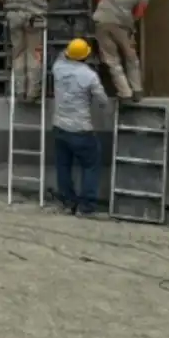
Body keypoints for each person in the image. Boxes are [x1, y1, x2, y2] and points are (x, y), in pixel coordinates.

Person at [51, 38, 108, 216]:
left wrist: (69, 51)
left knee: (63, 166)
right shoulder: (89, 75)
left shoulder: (57, 69)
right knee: (90, 166)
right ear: (86, 56)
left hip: (60, 127)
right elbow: (102, 100)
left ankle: (68, 203)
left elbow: (62, 56)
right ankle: (86, 206)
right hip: (81, 129)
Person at [92, 0, 167, 102]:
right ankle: (137, 91)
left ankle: (125, 93)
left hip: (101, 21)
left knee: (112, 61)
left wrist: (102, 5)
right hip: (121, 26)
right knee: (131, 58)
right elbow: (137, 16)